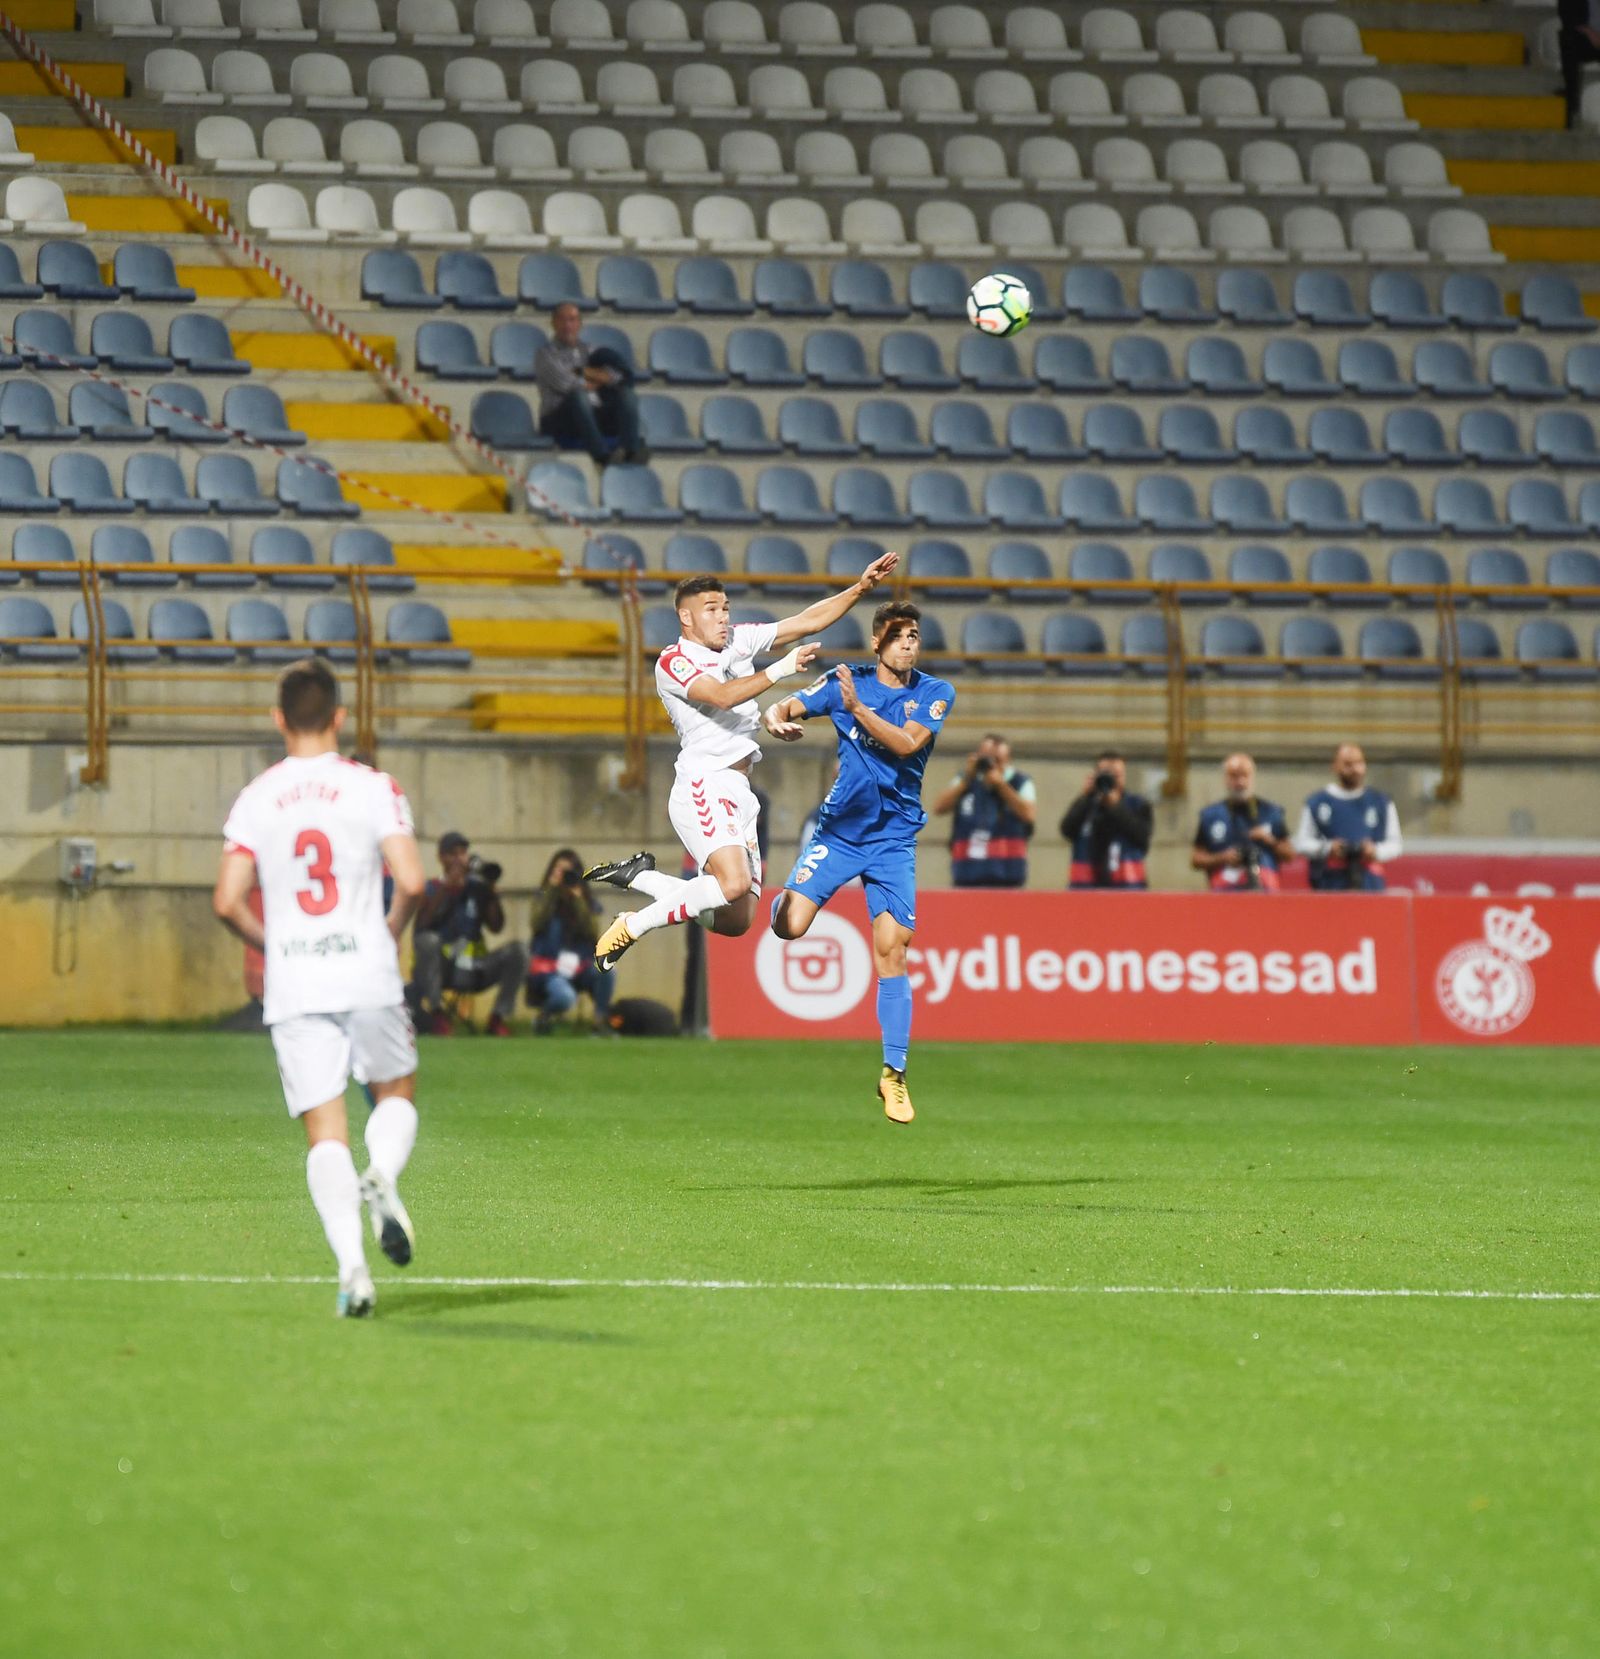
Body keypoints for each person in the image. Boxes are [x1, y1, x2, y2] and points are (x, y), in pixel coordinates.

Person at [211, 658, 426, 1319]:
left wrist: (271, 944)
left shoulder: (257, 797)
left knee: (324, 1132)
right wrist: (389, 930)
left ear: (279, 719)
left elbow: (226, 899)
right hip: (364, 965)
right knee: (394, 1090)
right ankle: (383, 1176)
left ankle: (353, 1272)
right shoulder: (372, 787)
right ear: (338, 716)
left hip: (296, 976)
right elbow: (413, 881)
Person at [584, 551, 900, 969]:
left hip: (738, 788)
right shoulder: (673, 661)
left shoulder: (738, 639)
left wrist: (861, 587)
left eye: (726, 607)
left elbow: (806, 621)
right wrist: (780, 669)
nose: (722, 617)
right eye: (711, 609)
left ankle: (639, 876)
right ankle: (632, 925)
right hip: (703, 781)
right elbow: (720, 695)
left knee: (736, 920)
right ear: (686, 618)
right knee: (731, 884)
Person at [765, 601, 955, 1125]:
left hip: (893, 841)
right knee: (790, 928)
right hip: (840, 834)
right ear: (878, 643)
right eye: (898, 636)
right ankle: (785, 895)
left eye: (915, 634)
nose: (908, 643)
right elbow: (785, 707)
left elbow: (906, 744)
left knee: (894, 949)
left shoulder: (934, 693)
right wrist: (775, 719)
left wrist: (857, 710)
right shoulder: (846, 681)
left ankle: (893, 1074)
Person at [411, 831, 524, 1036]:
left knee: (518, 951)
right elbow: (421, 926)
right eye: (453, 854)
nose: (459, 859)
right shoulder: (432, 887)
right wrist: (447, 888)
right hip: (443, 968)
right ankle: (437, 1014)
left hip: (475, 966)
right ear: (441, 857)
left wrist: (490, 894)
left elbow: (496, 927)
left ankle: (497, 1018)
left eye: (463, 853)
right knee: (428, 940)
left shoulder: (477, 887)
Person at [533, 300, 647, 468]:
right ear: (553, 323)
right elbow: (567, 384)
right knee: (578, 396)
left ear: (579, 324)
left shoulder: (590, 349)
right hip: (561, 418)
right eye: (562, 320)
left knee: (626, 394)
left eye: (572, 320)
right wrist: (598, 379)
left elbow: (618, 377)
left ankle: (631, 451)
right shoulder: (545, 354)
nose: (567, 325)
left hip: (592, 414)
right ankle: (601, 456)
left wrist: (583, 371)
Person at [930, 732, 1036, 887]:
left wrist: (1001, 785)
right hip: (967, 870)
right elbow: (939, 807)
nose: (991, 763)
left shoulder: (1020, 782)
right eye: (986, 758)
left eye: (997, 759)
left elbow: (1029, 814)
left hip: (1008, 871)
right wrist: (968, 778)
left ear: (1008, 759)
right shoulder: (966, 780)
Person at [526, 847, 615, 1032]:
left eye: (567, 872)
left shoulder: (585, 900)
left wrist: (578, 900)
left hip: (580, 967)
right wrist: (551, 891)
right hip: (550, 969)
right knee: (565, 997)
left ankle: (599, 1022)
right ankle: (543, 1018)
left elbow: (593, 932)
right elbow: (536, 923)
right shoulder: (542, 897)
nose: (563, 877)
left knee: (608, 971)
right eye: (558, 870)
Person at [1294, 743, 1403, 891]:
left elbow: (1395, 844)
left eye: (1359, 763)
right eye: (1348, 764)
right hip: (1330, 882)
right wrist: (1328, 848)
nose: (1355, 769)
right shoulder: (1317, 802)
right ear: (1335, 766)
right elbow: (1301, 843)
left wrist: (1374, 851)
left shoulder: (1381, 802)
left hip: (1369, 883)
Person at [1191, 753, 1295, 892]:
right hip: (1224, 889)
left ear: (1252, 777)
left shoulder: (1271, 812)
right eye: (1234, 776)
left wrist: (1269, 840)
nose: (1240, 782)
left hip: (1264, 886)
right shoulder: (1210, 815)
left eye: (1245, 775)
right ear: (1225, 778)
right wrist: (1222, 858)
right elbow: (1196, 859)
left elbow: (1290, 855)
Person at [1059, 751, 1153, 890]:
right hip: (1085, 891)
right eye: (1106, 774)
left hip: (1128, 891)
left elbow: (1142, 838)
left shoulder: (1138, 805)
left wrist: (1115, 807)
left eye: (1116, 775)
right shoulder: (1086, 805)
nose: (1111, 780)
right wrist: (1085, 797)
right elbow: (1066, 830)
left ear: (1124, 776)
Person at [1559, 0, 1600, 127]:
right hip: (1585, 38)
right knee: (1567, 38)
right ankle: (1571, 102)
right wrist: (1590, 32)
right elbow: (1567, 18)